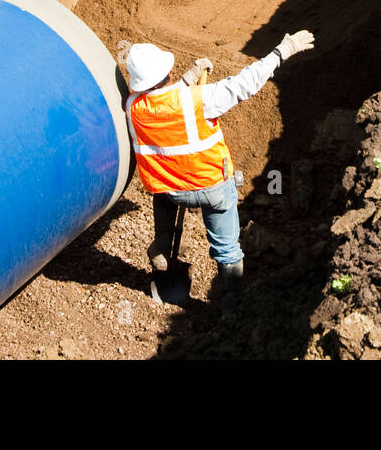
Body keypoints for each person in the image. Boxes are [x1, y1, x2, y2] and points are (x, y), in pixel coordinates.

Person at [123, 30, 315, 303]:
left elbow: (162, 102)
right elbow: (243, 84)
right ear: (168, 71)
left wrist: (189, 77)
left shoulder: (132, 107)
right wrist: (281, 52)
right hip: (212, 187)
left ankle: (162, 252)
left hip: (171, 190)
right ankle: (230, 307)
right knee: (227, 249)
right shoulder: (200, 99)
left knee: (161, 196)